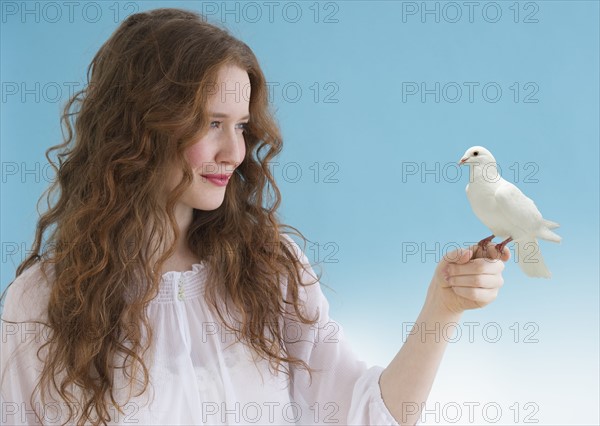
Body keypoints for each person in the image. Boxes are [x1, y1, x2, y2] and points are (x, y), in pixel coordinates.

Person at [0, 8, 509, 426]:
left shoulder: (268, 268)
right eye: (211, 123)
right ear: (140, 128)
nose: (235, 151)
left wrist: (441, 310)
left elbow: (364, 414)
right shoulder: (41, 303)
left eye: (241, 126)